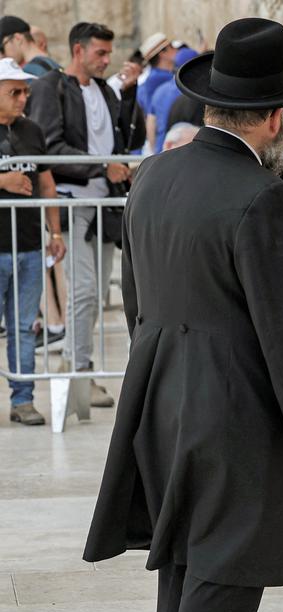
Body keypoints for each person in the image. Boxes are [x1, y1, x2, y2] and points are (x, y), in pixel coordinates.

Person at [83, 18, 283, 612]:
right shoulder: (264, 196)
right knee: (223, 574)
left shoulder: (155, 173)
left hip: (159, 394)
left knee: (187, 565)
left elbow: (135, 302)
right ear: (276, 115)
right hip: (232, 409)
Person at [28, 22, 142, 408]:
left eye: (109, 54)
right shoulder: (51, 87)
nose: (106, 60)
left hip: (104, 205)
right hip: (72, 203)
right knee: (82, 293)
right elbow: (50, 148)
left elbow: (127, 137)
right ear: (78, 50)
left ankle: (74, 369)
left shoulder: (106, 93)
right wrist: (100, 167)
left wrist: (129, 95)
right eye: (100, 53)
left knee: (93, 297)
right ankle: (80, 371)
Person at [0, 58, 64, 425]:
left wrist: (55, 232)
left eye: (25, 91)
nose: (23, 98)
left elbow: (47, 183)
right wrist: (3, 181)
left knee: (25, 326)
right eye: (14, 92)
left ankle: (23, 398)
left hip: (27, 245)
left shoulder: (32, 131)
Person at [145, 45, 197, 152]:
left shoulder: (160, 90)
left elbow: (151, 123)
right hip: (184, 153)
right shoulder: (193, 92)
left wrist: (154, 149)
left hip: (161, 150)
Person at [136, 32, 175, 153]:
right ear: (162, 53)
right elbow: (151, 119)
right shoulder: (162, 81)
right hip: (168, 145)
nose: (175, 50)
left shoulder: (148, 81)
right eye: (171, 46)